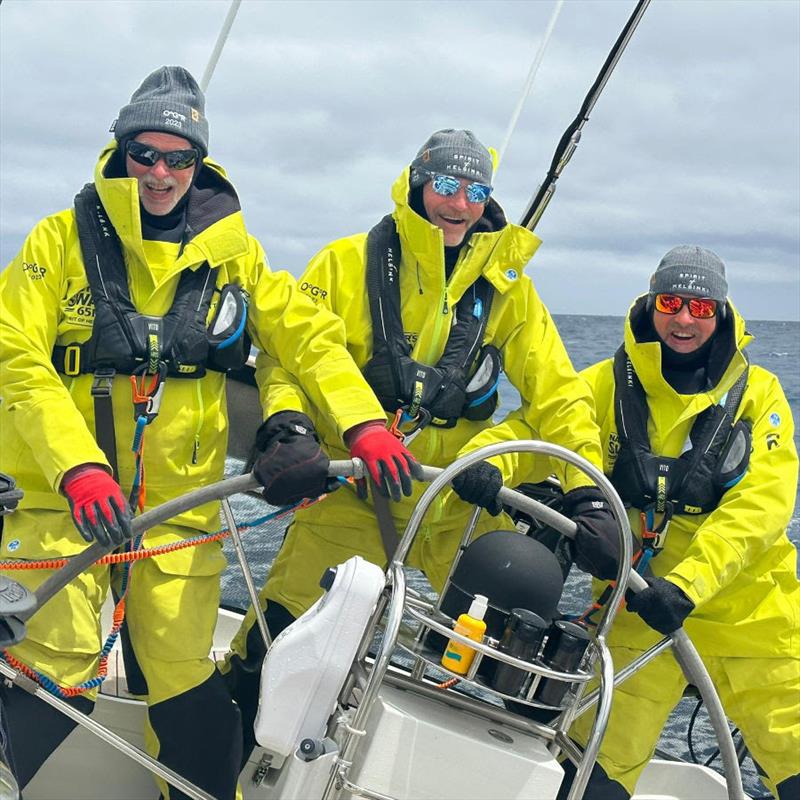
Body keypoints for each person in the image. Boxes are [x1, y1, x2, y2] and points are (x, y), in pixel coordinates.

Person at [0, 66, 416, 800]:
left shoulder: (235, 252)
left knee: (186, 682)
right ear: (122, 151)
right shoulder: (57, 240)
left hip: (179, 511)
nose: (160, 173)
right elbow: (17, 357)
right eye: (145, 154)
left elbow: (308, 338)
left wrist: (362, 425)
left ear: (199, 164)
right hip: (63, 503)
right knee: (53, 667)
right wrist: (78, 468)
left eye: (178, 158)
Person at [221, 128, 621, 762]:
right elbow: (286, 358)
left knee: (496, 668)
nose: (458, 204)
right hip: (350, 493)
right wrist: (290, 427)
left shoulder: (511, 290)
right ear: (416, 185)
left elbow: (560, 399)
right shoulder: (344, 262)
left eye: (475, 190)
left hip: (448, 507)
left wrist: (583, 492)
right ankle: (234, 770)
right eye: (445, 185)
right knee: (275, 646)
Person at [559, 246, 799, 799]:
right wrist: (482, 469)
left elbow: (761, 505)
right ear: (650, 302)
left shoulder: (760, 395)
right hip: (640, 615)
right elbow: (545, 428)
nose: (685, 319)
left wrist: (688, 584)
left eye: (702, 307)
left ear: (721, 314)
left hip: (753, 620)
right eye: (671, 302)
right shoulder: (601, 383)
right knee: (588, 775)